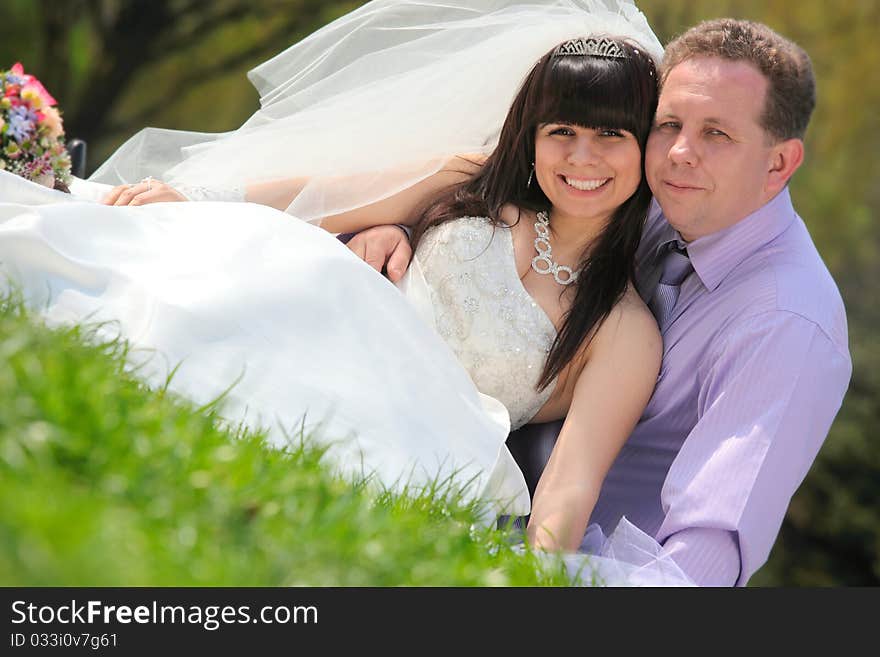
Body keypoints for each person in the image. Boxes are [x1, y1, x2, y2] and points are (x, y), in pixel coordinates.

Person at [0, 1, 697, 584]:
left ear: (646, 147)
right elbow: (333, 197)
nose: (581, 157)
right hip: (333, 314)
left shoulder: (621, 330)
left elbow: (571, 481)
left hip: (419, 426)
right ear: (533, 135)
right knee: (201, 275)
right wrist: (193, 195)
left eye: (610, 135)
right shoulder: (474, 182)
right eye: (562, 132)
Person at [346, 18, 853, 586]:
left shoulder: (787, 323)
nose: (681, 152)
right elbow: (499, 213)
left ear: (779, 163)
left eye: (718, 134)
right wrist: (402, 231)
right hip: (457, 448)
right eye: (669, 124)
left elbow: (708, 553)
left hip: (589, 562)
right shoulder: (649, 198)